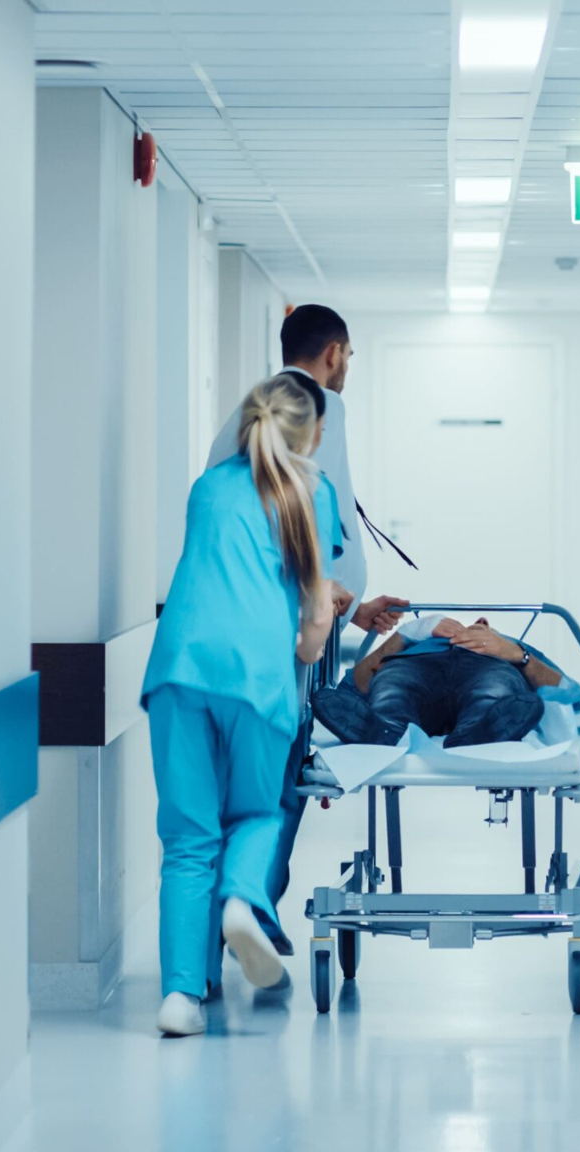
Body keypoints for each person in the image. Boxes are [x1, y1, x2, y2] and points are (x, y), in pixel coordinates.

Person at [143, 376, 349, 1037]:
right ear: (313, 433)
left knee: (187, 837)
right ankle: (243, 901)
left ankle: (182, 996)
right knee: (257, 811)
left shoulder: (207, 487)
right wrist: (307, 654)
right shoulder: (312, 492)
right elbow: (317, 611)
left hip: (178, 667)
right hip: (258, 673)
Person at [206, 304, 407, 953]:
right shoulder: (321, 406)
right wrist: (347, 607)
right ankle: (253, 908)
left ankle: (218, 926)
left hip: (213, 628)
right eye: (348, 357)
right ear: (334, 353)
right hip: (285, 624)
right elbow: (330, 511)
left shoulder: (249, 409)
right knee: (282, 773)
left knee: (220, 788)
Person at [312, 614, 574, 748]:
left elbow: (574, 697)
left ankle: (478, 730)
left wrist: (519, 655)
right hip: (415, 667)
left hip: (489, 669)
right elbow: (351, 687)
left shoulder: (510, 647)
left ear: (486, 624)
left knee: (494, 691)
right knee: (393, 689)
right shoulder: (414, 644)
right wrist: (408, 634)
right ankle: (385, 728)